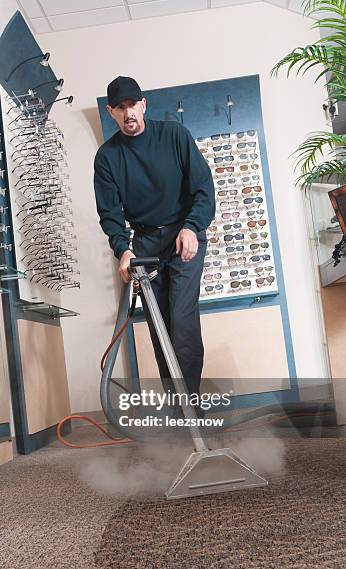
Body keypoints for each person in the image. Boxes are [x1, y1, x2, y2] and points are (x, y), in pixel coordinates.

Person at [94, 75, 215, 407]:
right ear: (111, 112)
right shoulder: (107, 157)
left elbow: (204, 188)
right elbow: (110, 213)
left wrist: (192, 227)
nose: (128, 112)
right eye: (121, 108)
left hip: (183, 235)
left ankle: (191, 405)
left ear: (143, 104)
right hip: (144, 243)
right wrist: (123, 249)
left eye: (133, 105)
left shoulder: (173, 135)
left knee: (182, 318)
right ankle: (179, 409)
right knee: (159, 324)